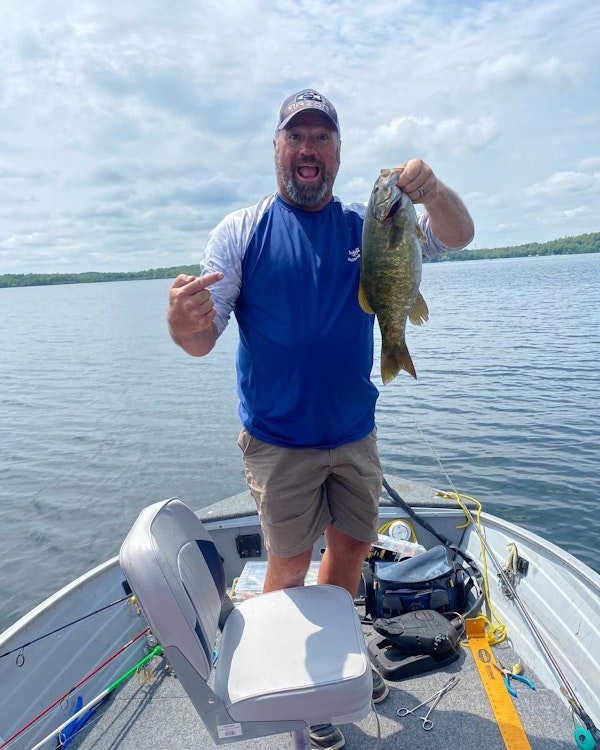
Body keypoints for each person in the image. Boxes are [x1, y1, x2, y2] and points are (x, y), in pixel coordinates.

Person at [167, 89, 474, 750]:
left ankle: (336, 663)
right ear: (277, 147)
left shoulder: (370, 224)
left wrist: (434, 190)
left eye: (322, 137)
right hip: (279, 442)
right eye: (296, 136)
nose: (308, 148)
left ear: (336, 151)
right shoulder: (242, 231)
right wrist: (180, 323)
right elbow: (201, 337)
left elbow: (457, 236)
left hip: (355, 433)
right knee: (288, 561)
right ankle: (299, 689)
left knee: (353, 547)